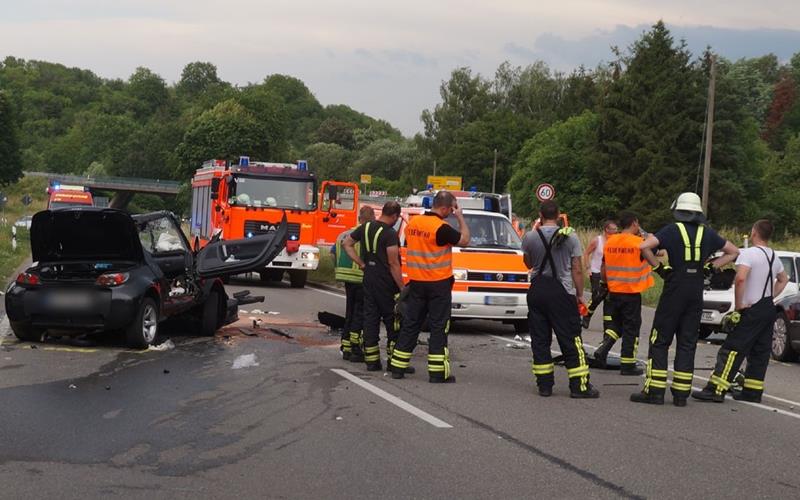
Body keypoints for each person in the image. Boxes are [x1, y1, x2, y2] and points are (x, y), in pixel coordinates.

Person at [631, 192, 739, 407]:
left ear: (679, 211)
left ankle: (655, 391)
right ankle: (681, 395)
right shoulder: (707, 233)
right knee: (688, 342)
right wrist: (710, 267)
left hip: (675, 287)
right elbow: (733, 251)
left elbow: (643, 246)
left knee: (660, 340)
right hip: (696, 289)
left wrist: (660, 268)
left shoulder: (671, 230)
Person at [692, 219, 788, 403]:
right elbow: (783, 279)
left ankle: (716, 389)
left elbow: (741, 279)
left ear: (754, 233)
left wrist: (739, 305)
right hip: (768, 308)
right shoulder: (774, 256)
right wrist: (770, 297)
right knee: (759, 352)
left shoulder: (748, 254)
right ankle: (752, 391)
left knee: (732, 348)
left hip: (751, 308)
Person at [390, 191, 470, 383]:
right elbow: (465, 240)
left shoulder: (414, 223)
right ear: (444, 208)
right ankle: (437, 373)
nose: (452, 212)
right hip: (438, 284)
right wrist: (460, 218)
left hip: (416, 283)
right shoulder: (441, 228)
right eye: (451, 209)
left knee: (410, 325)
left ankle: (397, 367)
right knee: (438, 328)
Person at [523, 200, 598, 398]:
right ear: (558, 215)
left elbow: (528, 262)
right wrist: (580, 294)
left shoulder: (530, 236)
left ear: (540, 214)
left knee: (540, 340)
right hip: (561, 292)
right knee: (571, 339)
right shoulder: (570, 237)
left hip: (537, 290)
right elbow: (577, 269)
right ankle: (579, 387)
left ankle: (545, 386)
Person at [344, 201, 405, 371]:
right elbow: (393, 263)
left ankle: (372, 361)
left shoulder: (366, 227)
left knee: (370, 319)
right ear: (394, 216)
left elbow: (347, 243)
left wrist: (361, 263)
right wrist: (402, 287)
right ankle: (394, 362)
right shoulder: (390, 234)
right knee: (392, 320)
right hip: (385, 281)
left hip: (368, 278)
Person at [594, 212, 653, 375]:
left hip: (614, 290)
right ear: (634, 223)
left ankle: (603, 348)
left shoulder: (610, 241)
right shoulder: (638, 242)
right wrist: (645, 235)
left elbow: (604, 267)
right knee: (631, 327)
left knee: (618, 324)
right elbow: (657, 252)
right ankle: (627, 365)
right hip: (631, 291)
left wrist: (605, 285)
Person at [333, 206, 375, 361]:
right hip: (359, 277)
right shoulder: (366, 234)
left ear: (359, 218)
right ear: (372, 220)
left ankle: (346, 347)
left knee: (350, 313)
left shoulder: (343, 234)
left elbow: (332, 253)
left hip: (345, 278)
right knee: (359, 314)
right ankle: (355, 348)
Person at [581, 219, 618, 330]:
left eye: (616, 229)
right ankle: (587, 315)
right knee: (597, 296)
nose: (616, 231)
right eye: (613, 229)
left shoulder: (616, 241)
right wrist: (588, 268)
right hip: (596, 271)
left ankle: (608, 323)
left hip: (610, 273)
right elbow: (586, 253)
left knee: (608, 298)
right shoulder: (597, 240)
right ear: (607, 229)